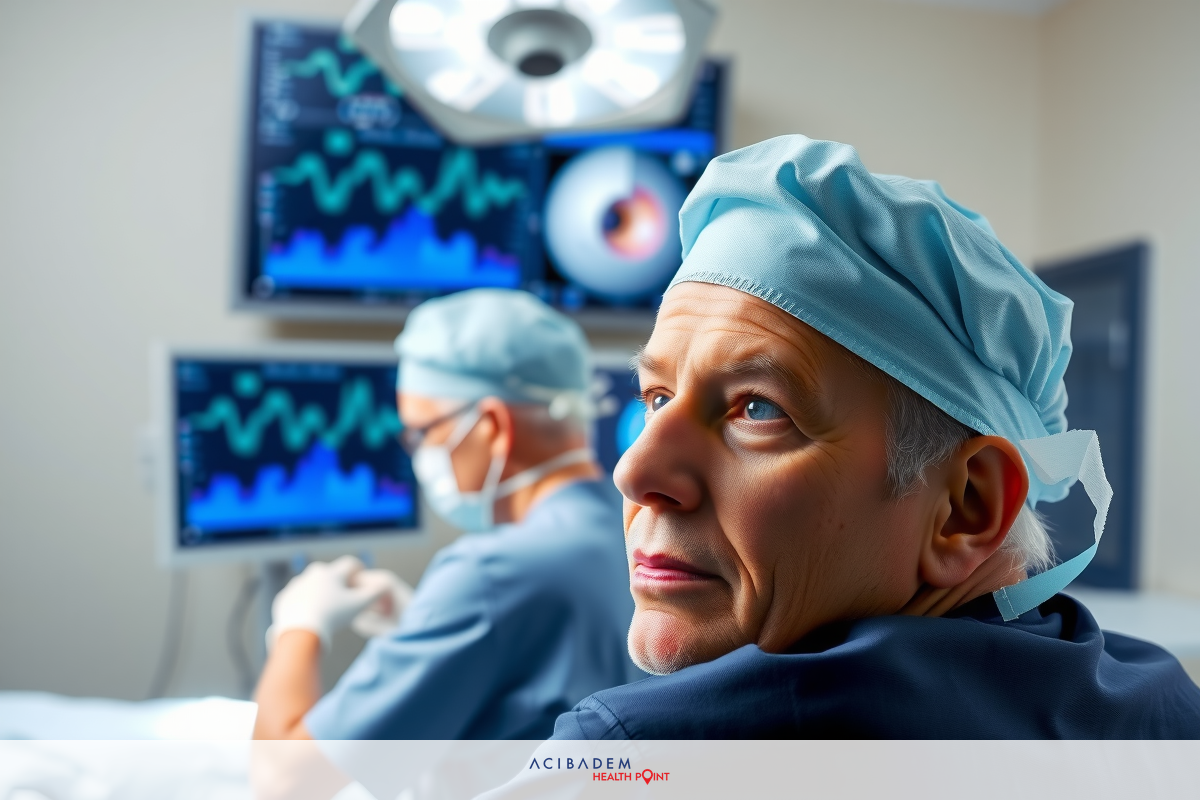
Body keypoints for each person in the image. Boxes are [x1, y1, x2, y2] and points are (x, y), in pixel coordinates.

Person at [547, 135, 1200, 738]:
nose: (633, 472)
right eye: (657, 398)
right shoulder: (1164, 701)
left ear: (966, 507)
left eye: (757, 409)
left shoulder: (639, 757)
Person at [253, 288, 639, 741]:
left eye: (422, 432)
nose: (417, 452)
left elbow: (285, 777)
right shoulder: (640, 533)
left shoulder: (489, 573)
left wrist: (300, 627)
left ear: (492, 428)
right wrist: (426, 627)